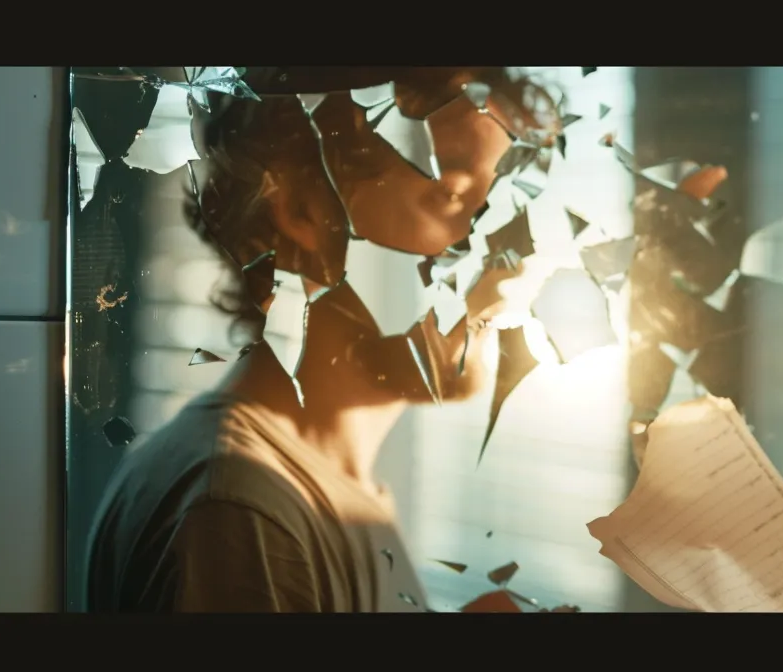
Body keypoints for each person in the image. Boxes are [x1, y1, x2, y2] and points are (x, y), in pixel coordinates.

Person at [85, 67, 554, 612]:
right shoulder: (240, 515)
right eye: (454, 196)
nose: (511, 259)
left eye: (511, 204)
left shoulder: (322, 488)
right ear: (307, 208)